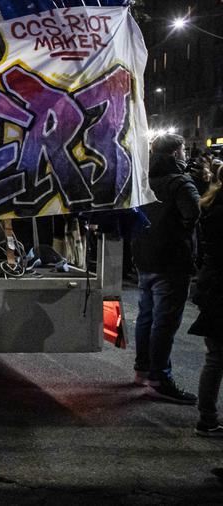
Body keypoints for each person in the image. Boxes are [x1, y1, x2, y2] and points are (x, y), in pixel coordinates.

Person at [131, 133, 201, 403]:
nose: (185, 154)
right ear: (175, 153)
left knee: (146, 316)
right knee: (165, 320)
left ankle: (143, 370)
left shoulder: (143, 180)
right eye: (183, 150)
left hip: (145, 257)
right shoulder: (180, 183)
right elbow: (194, 214)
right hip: (172, 260)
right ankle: (160, 377)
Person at [190, 164, 223, 435]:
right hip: (218, 285)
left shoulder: (210, 205)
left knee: (214, 358)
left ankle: (207, 417)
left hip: (211, 284)